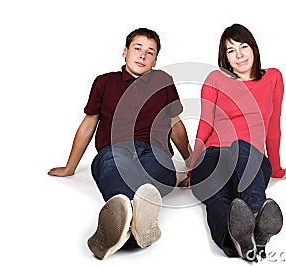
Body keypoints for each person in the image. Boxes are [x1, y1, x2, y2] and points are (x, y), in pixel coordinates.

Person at [48, 28, 191, 260]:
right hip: (115, 150)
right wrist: (70, 167)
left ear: (155, 60)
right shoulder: (104, 82)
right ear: (125, 52)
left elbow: (176, 124)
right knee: (114, 165)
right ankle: (138, 229)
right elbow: (88, 125)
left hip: (154, 152)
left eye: (150, 52)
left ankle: (121, 227)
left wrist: (190, 163)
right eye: (137, 48)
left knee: (158, 170)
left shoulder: (163, 81)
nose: (143, 55)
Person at [178, 24, 286, 262]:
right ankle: (247, 235)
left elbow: (273, 126)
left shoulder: (273, 77)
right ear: (225, 58)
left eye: (243, 46)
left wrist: (276, 168)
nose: (239, 54)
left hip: (249, 157)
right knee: (216, 195)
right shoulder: (215, 79)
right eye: (231, 50)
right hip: (213, 156)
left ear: (253, 48)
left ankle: (245, 228)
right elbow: (204, 125)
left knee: (240, 151)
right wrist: (191, 169)